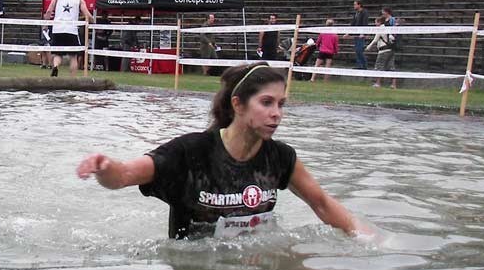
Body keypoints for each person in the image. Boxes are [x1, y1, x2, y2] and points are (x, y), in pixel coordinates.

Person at [77, 63, 377, 240]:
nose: (277, 114)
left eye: (281, 104)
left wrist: (371, 241)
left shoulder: (281, 158)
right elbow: (125, 175)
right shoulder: (191, 152)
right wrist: (104, 166)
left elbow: (323, 204)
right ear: (238, 104)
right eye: (267, 102)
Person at [43, 0, 92, 77]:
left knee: (58, 54)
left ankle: (55, 66)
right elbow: (86, 14)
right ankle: (72, 79)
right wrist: (94, 21)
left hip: (57, 29)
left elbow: (48, 11)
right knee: (73, 56)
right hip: (71, 30)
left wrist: (45, 25)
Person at [365, 16, 397, 89]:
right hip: (390, 50)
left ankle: (378, 83)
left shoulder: (380, 29)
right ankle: (393, 84)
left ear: (379, 22)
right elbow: (392, 38)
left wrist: (368, 47)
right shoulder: (388, 28)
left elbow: (375, 40)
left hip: (383, 51)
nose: (375, 24)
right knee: (391, 67)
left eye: (376, 22)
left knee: (379, 66)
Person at [348, 0, 368, 69]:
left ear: (359, 5)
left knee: (359, 50)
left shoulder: (364, 12)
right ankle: (359, 65)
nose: (354, 6)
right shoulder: (356, 13)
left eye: (355, 4)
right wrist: (349, 33)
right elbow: (353, 23)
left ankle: (364, 65)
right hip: (356, 34)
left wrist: (363, 33)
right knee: (357, 50)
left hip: (361, 34)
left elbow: (365, 23)